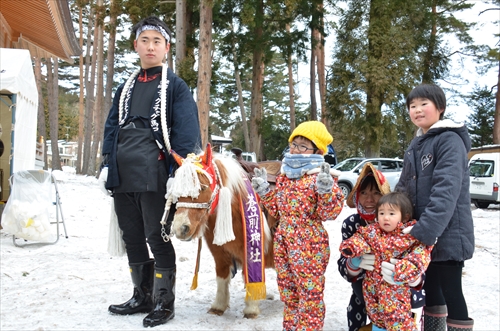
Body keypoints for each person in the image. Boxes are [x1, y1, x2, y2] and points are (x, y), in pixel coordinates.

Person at [99, 16, 201, 328]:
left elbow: (186, 131)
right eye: (145, 41)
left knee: (155, 235)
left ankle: (163, 301)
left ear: (166, 48)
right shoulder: (126, 87)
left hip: (155, 171)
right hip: (122, 170)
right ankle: (141, 295)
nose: (151, 46)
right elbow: (112, 126)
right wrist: (106, 164)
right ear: (136, 46)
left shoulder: (176, 87)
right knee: (131, 236)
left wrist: (178, 171)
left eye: (157, 41)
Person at [395, 83, 475, 331]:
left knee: (452, 292)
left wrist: (425, 230)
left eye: (423, 104)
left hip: (448, 234)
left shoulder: (449, 140)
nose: (417, 110)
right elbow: (403, 187)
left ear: (439, 108)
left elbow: (446, 190)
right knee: (431, 291)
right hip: (424, 235)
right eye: (412, 106)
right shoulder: (416, 145)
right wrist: (389, 211)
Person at [251, 120, 345, 331]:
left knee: (309, 296)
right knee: (289, 292)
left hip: (309, 243)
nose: (296, 149)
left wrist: (326, 191)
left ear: (318, 150)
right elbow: (277, 210)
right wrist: (265, 191)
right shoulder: (286, 175)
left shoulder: (322, 176)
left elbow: (328, 213)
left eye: (303, 145)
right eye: (294, 144)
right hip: (284, 240)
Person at [337, 163, 426, 331]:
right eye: (363, 193)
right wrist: (353, 263)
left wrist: (414, 279)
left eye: (375, 192)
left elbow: (421, 257)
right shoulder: (353, 224)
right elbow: (343, 266)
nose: (369, 199)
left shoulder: (405, 224)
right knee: (358, 307)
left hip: (402, 292)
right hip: (366, 292)